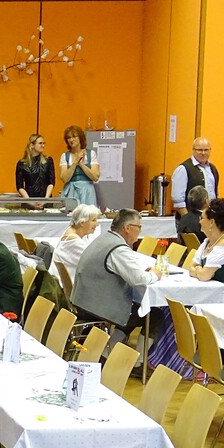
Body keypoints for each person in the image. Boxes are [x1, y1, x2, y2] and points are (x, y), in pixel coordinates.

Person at [72, 208, 161, 345]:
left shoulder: (104, 238)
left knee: (135, 309)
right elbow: (138, 279)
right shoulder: (119, 249)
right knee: (153, 314)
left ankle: (110, 348)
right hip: (97, 307)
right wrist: (154, 275)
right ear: (127, 228)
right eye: (139, 227)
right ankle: (125, 355)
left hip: (83, 300)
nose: (140, 231)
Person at [50, 203, 102, 282]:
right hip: (67, 285)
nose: (97, 224)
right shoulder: (73, 241)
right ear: (82, 223)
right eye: (93, 220)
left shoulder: (72, 232)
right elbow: (93, 263)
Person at [171, 137, 218, 214]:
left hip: (208, 217)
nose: (203, 153)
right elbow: (178, 202)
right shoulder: (183, 169)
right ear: (193, 150)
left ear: (210, 150)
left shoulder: (213, 169)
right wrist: (188, 218)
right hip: (190, 217)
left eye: (206, 150)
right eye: (199, 150)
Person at [59, 125, 100, 208]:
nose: (71, 140)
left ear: (80, 138)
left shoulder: (91, 154)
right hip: (70, 190)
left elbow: (95, 177)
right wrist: (75, 163)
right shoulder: (65, 156)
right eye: (69, 138)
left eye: (74, 137)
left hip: (87, 191)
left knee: (87, 213)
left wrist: (81, 164)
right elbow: (64, 178)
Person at [190, 198, 224, 280]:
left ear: (211, 222)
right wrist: (199, 271)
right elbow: (191, 267)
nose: (199, 222)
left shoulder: (222, 246)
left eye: (201, 218)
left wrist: (197, 270)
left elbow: (204, 276)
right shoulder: (207, 242)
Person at [16, 134, 56, 203]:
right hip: (28, 200)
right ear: (32, 145)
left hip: (46, 199)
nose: (43, 145)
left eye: (44, 143)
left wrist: (45, 200)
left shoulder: (48, 160)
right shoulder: (22, 163)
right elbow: (20, 186)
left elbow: (51, 182)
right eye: (40, 143)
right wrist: (30, 202)